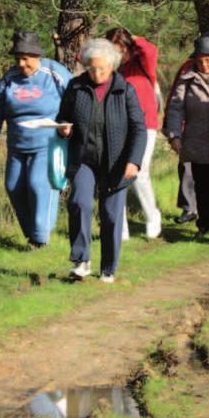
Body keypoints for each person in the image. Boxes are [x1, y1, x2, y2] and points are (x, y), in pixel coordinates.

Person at [57, 38, 147, 283]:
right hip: (84, 159)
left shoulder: (125, 90)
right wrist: (63, 128)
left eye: (102, 69)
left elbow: (139, 128)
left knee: (111, 215)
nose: (96, 73)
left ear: (112, 66)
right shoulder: (76, 87)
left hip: (116, 163)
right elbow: (62, 117)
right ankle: (81, 260)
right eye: (92, 68)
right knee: (79, 202)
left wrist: (134, 161)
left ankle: (108, 268)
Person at [0, 32, 72, 247]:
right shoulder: (9, 79)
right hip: (17, 144)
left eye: (26, 58)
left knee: (39, 184)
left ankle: (41, 239)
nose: (21, 63)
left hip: (47, 143)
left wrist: (70, 124)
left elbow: (75, 99)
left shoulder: (54, 73)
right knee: (13, 186)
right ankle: (33, 234)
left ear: (37, 55)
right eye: (17, 57)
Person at [164, 35, 209, 243]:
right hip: (195, 141)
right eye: (200, 60)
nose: (205, 64)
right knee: (201, 186)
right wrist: (174, 135)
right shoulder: (187, 77)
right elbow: (176, 108)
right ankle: (204, 225)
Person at [105, 27, 162, 239]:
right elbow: (84, 56)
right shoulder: (112, 70)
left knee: (139, 171)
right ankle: (121, 227)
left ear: (129, 47)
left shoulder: (142, 64)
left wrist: (135, 37)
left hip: (146, 125)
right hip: (120, 125)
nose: (118, 55)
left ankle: (152, 215)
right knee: (118, 172)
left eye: (121, 50)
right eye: (113, 51)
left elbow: (150, 50)